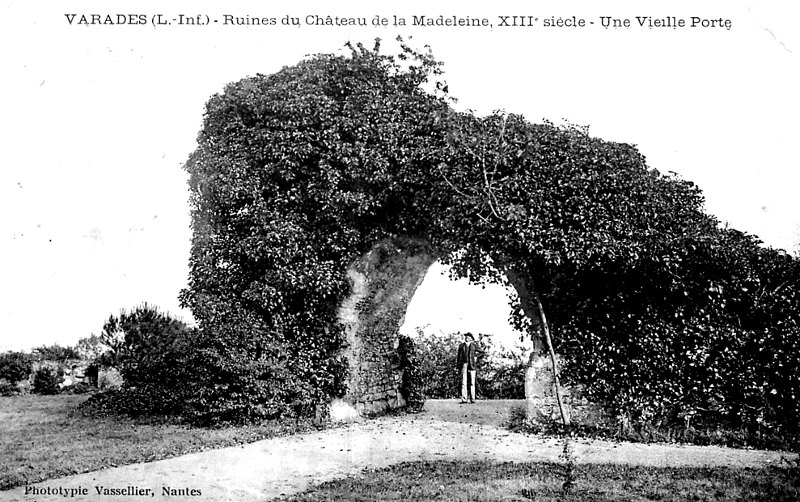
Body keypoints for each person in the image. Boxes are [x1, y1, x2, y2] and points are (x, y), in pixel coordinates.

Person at [456, 332, 478, 403]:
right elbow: (458, 357)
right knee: (463, 382)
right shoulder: (461, 346)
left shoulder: (474, 345)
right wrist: (458, 367)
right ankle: (464, 399)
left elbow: (482, 352)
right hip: (464, 364)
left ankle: (473, 399)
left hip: (472, 365)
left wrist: (476, 357)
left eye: (468, 337)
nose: (466, 338)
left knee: (472, 382)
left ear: (471, 338)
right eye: (466, 337)